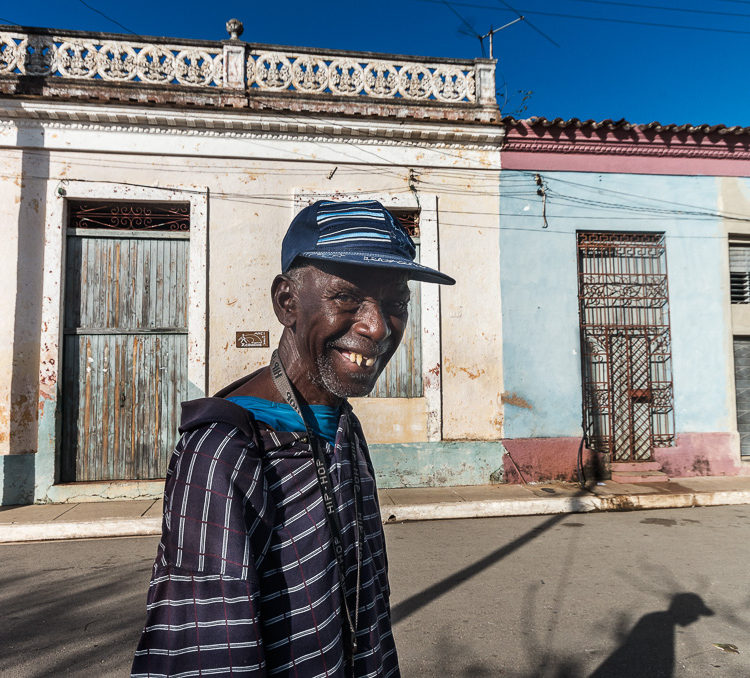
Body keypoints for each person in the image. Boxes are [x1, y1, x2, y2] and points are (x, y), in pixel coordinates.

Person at [131, 199, 455, 677]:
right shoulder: (224, 451)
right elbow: (208, 652)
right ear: (287, 302)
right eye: (347, 297)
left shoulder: (340, 425)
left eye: (395, 304)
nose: (378, 326)